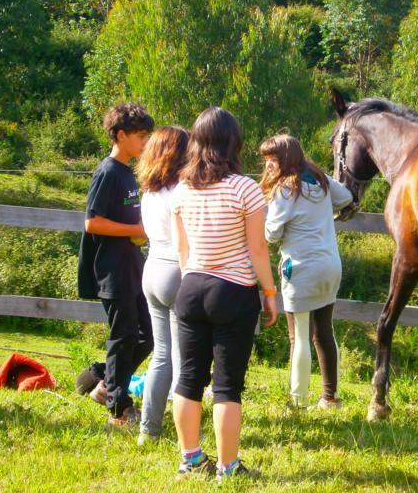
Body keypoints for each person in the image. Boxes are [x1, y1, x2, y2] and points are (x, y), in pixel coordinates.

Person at [171, 107, 278, 482]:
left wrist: (193, 279)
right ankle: (227, 467)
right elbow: (258, 250)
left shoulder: (181, 189)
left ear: (197, 142)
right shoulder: (245, 188)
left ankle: (190, 458)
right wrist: (269, 292)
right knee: (227, 385)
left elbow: (182, 249)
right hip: (232, 292)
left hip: (190, 288)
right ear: (234, 143)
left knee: (188, 378)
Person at [259, 134, 353, 410]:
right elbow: (346, 196)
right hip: (330, 265)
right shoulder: (318, 178)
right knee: (324, 331)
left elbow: (272, 234)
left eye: (271, 160)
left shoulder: (285, 190)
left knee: (298, 335)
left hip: (300, 269)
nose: (267, 166)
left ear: (285, 159)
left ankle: (298, 402)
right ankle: (330, 397)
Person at [77, 102, 154, 428]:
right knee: (122, 337)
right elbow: (92, 223)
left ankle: (106, 385)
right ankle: (119, 411)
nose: (145, 142)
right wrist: (135, 231)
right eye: (140, 136)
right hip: (112, 270)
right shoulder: (108, 171)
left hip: (133, 267)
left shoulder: (129, 171)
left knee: (148, 336)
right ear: (120, 135)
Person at [135, 125, 190, 445]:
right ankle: (188, 436)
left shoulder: (149, 191)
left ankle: (149, 429)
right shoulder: (182, 191)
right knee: (182, 358)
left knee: (161, 355)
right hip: (176, 270)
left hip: (152, 268)